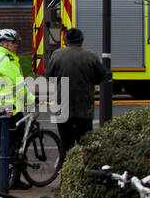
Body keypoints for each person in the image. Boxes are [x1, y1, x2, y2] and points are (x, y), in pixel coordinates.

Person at [44, 27, 106, 155]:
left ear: (66, 41)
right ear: (81, 40)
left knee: (66, 144)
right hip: (84, 106)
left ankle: (67, 168)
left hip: (63, 106)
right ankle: (82, 171)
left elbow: (49, 76)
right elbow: (101, 76)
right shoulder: (91, 55)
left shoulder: (57, 55)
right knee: (85, 144)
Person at [0, 28, 26, 184]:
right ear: (5, 43)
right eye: (14, 43)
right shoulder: (7, 60)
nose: (16, 45)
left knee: (0, 143)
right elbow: (19, 85)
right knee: (15, 143)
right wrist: (33, 99)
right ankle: (14, 180)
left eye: (16, 43)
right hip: (11, 107)